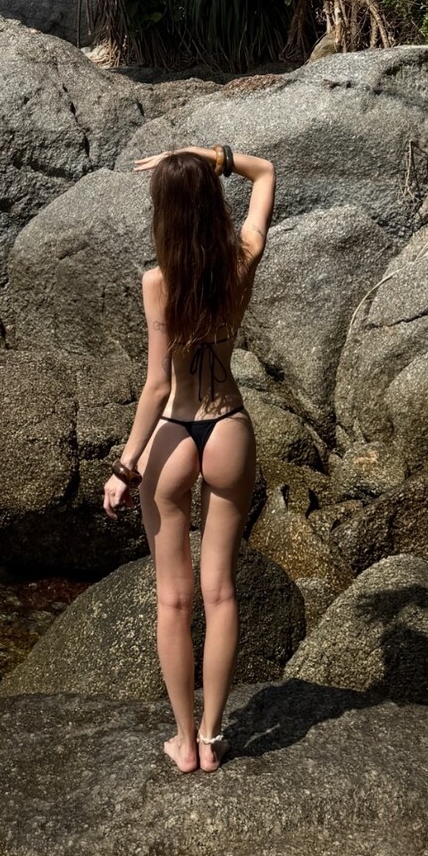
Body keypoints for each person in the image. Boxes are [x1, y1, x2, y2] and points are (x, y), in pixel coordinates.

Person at [102, 142, 275, 774]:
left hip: (175, 433)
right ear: (211, 204)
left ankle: (182, 743)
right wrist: (199, 155)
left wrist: (125, 467)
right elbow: (265, 171)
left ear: (164, 213)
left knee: (173, 601)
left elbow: (155, 387)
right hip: (227, 426)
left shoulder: (158, 283)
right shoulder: (241, 259)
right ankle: (212, 736)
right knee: (220, 593)